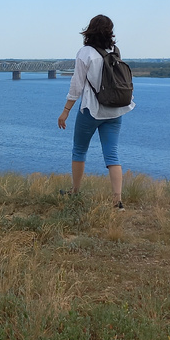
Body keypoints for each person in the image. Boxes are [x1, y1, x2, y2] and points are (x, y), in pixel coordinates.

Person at [57, 14, 134, 207]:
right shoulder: (114, 50)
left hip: (91, 110)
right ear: (110, 31)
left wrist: (65, 111)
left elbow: (76, 86)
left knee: (79, 150)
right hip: (115, 111)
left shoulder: (85, 52)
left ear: (89, 29)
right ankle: (117, 200)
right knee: (112, 154)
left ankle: (75, 191)